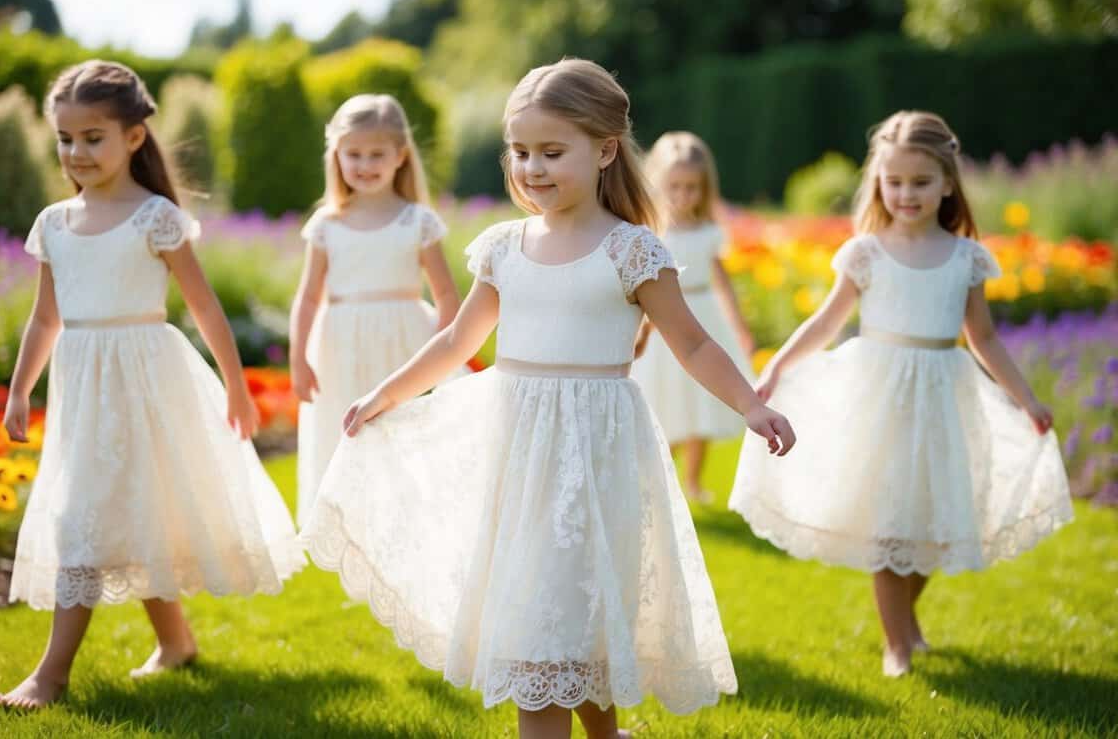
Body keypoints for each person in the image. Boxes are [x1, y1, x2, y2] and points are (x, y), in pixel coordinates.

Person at [299, 59, 795, 739]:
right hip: (519, 456)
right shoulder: (505, 247)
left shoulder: (632, 251)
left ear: (605, 150)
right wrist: (385, 393)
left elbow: (695, 344)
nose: (532, 168)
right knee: (544, 618)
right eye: (522, 151)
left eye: (552, 152)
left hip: (595, 454)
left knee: (567, 615)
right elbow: (453, 341)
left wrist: (751, 404)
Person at [0, 60, 304, 709]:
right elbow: (46, 316)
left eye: (93, 137)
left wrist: (238, 388)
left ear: (134, 136)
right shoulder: (54, 223)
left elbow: (206, 307)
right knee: (103, 511)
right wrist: (21, 387)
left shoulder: (154, 217)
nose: (76, 152)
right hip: (84, 385)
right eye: (66, 138)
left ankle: (50, 675)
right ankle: (177, 641)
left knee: (110, 514)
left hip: (146, 382)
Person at [729, 110, 1073, 678]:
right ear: (878, 184)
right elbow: (825, 321)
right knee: (891, 525)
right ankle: (897, 645)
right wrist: (779, 365)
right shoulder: (868, 253)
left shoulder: (964, 257)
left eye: (920, 182)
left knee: (934, 521)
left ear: (946, 184)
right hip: (881, 400)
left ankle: (908, 623)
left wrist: (1025, 398)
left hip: (943, 396)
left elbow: (982, 336)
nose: (906, 194)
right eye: (894, 182)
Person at [289, 94, 459, 522]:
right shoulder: (327, 225)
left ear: (400, 156)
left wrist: (447, 354)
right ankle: (359, 544)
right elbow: (308, 295)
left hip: (405, 341)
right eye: (354, 154)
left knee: (407, 440)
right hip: (340, 347)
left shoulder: (417, 221)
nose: (365, 165)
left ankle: (412, 531)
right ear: (337, 156)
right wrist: (297, 358)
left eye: (376, 154)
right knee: (347, 438)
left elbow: (446, 294)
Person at [632, 132, 755, 503]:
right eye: (675, 187)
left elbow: (722, 281)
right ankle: (659, 479)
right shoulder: (653, 232)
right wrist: (642, 330)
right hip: (665, 321)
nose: (683, 196)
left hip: (703, 316)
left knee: (701, 403)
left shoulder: (708, 232)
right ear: (658, 185)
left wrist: (739, 325)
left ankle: (694, 482)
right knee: (667, 405)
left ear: (704, 189)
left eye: (692, 188)